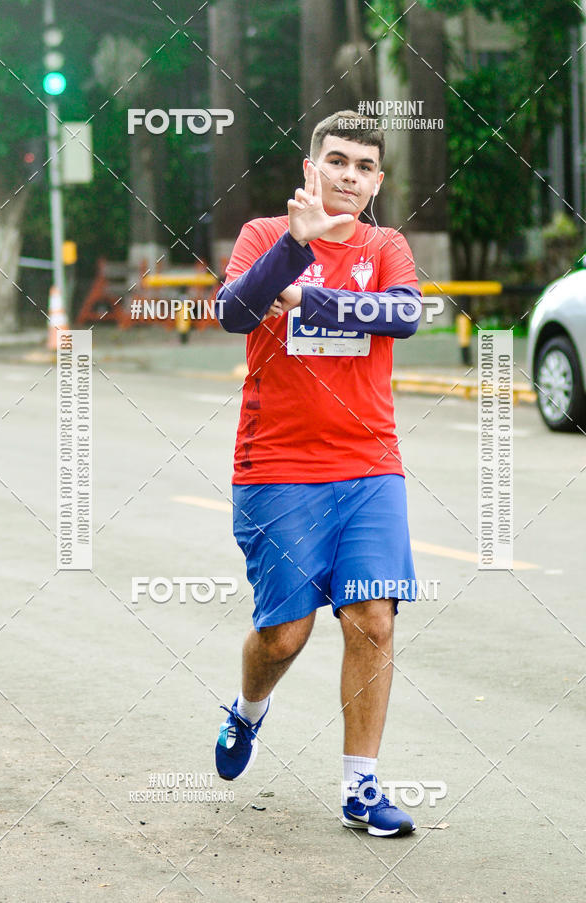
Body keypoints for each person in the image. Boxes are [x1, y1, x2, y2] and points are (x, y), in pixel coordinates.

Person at [213, 110, 422, 837]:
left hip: (369, 462)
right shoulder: (265, 237)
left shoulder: (385, 244)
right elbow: (234, 312)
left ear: (377, 182)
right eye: (337, 161)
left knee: (373, 618)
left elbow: (403, 315)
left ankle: (361, 788)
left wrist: (308, 297)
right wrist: (295, 250)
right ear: (312, 168)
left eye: (364, 167)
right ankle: (248, 710)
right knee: (285, 636)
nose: (349, 176)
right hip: (277, 465)